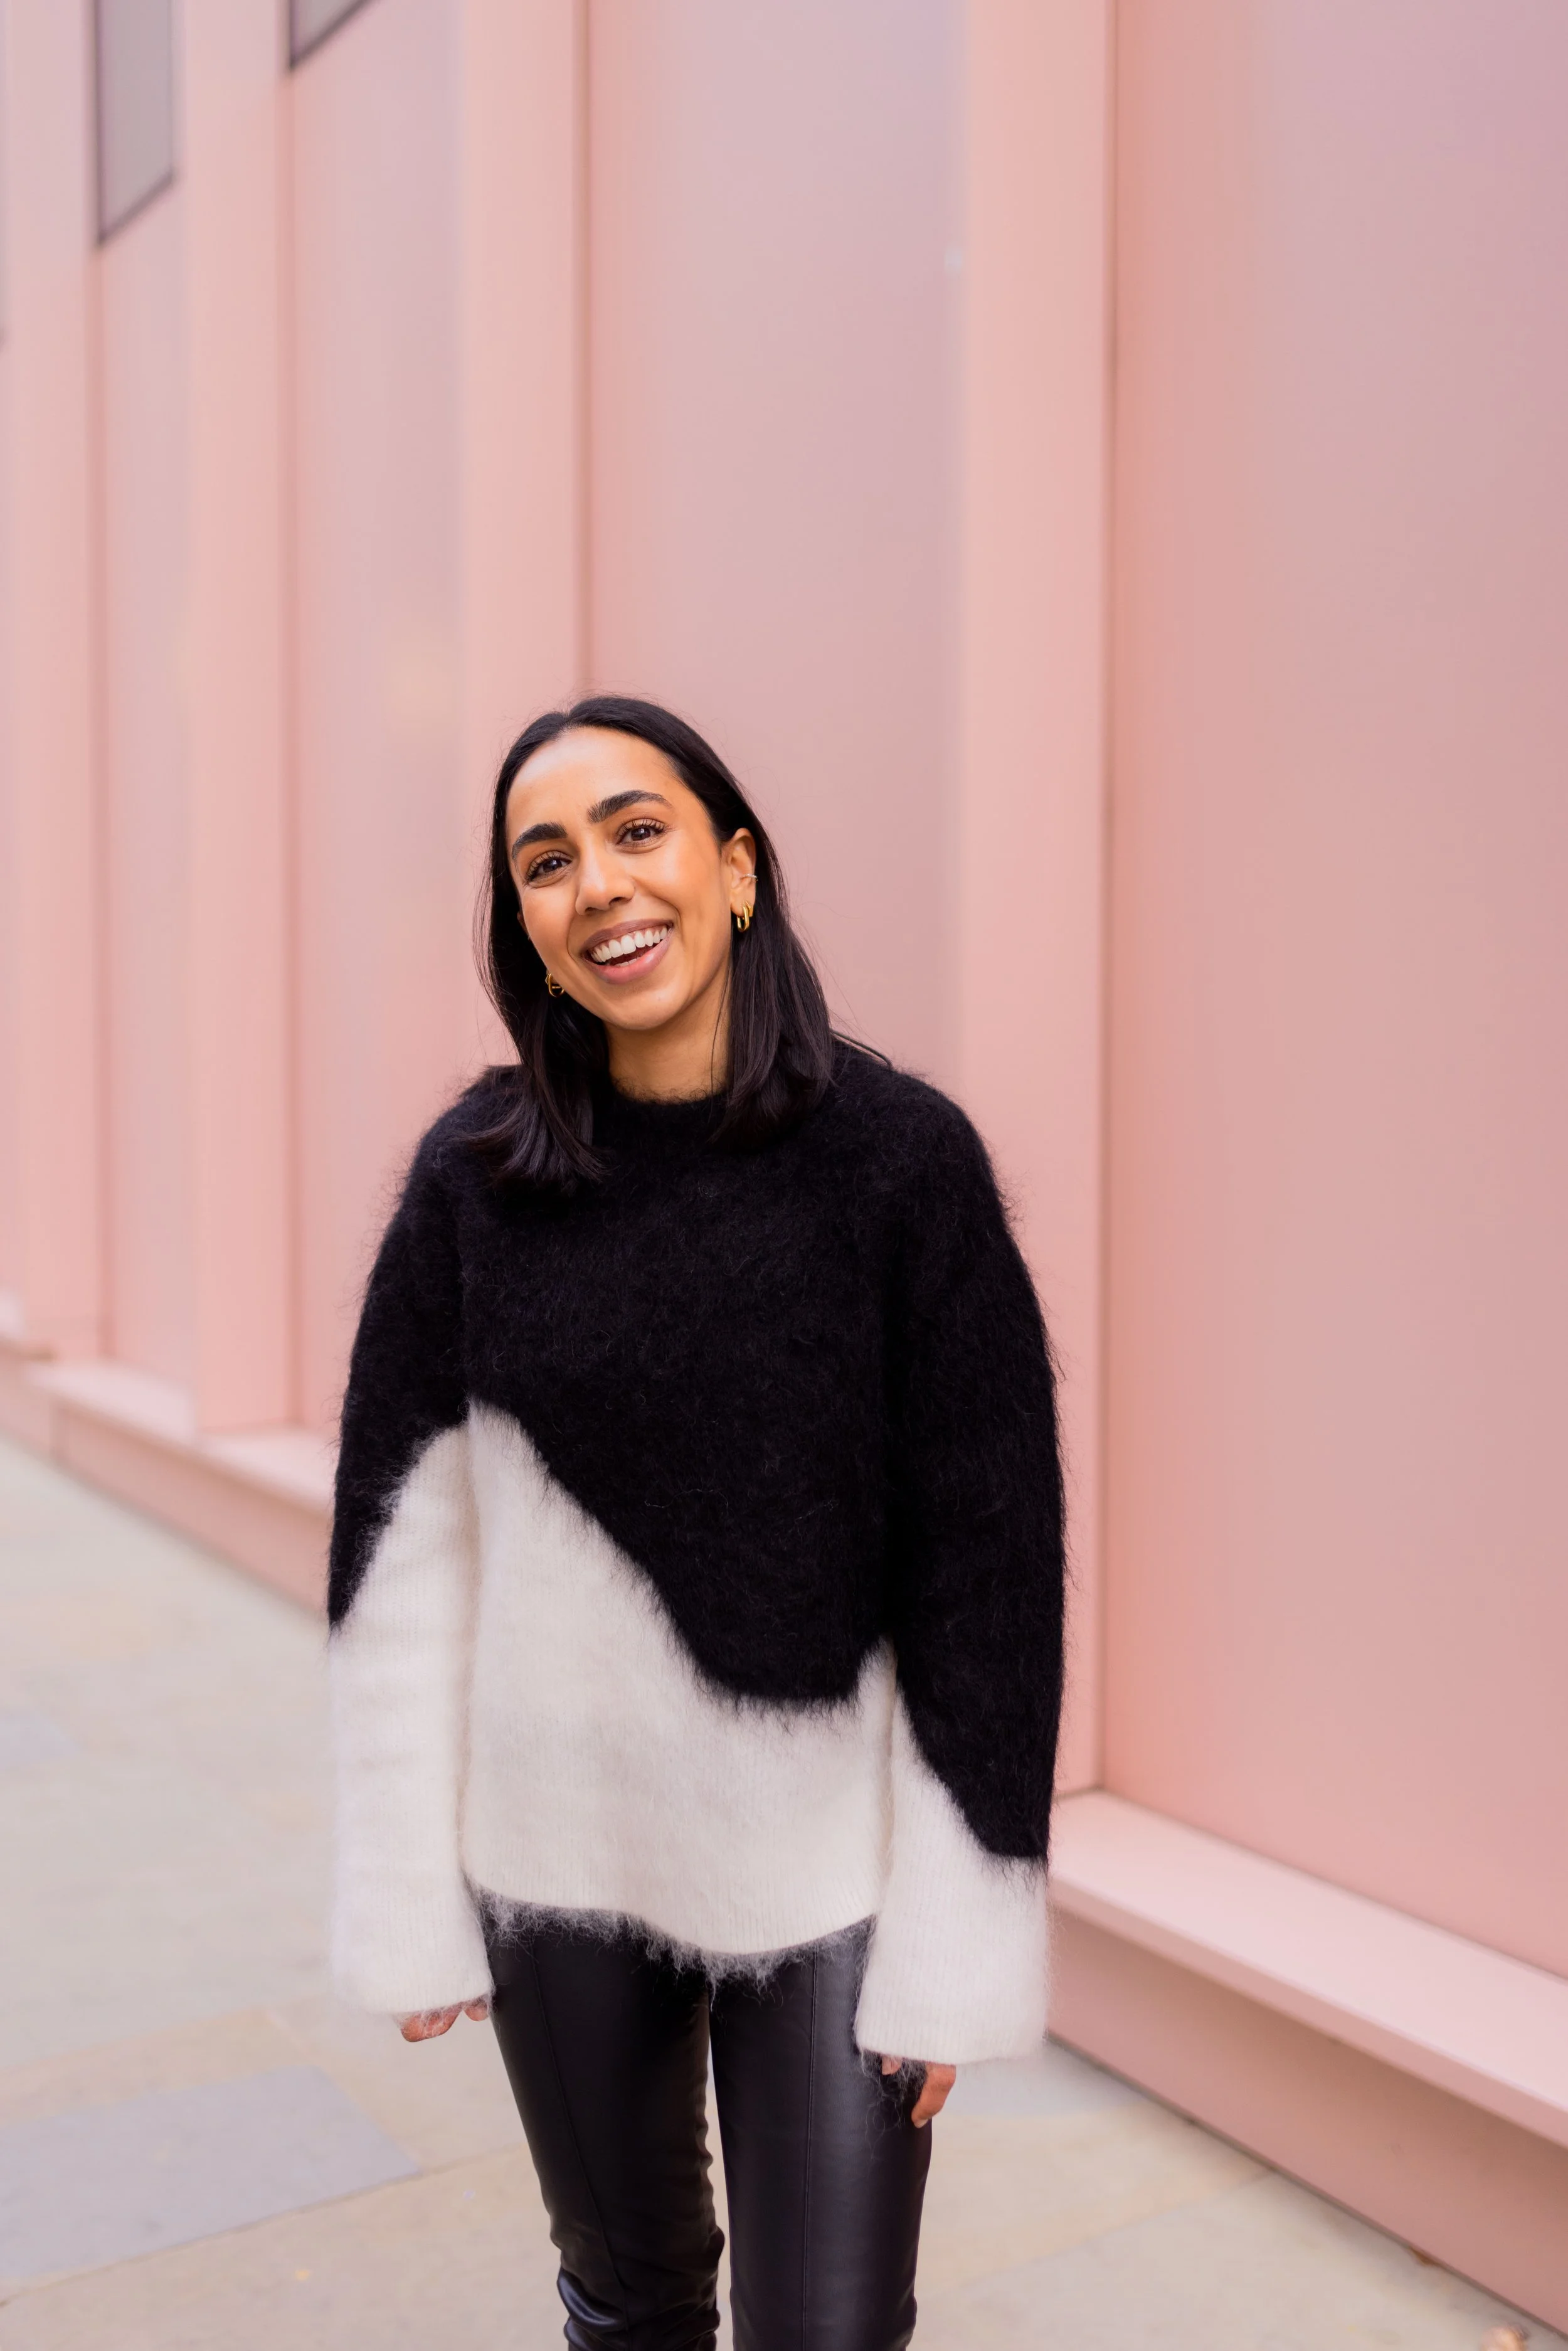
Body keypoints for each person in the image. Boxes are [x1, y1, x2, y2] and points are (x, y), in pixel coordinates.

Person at [327, 696, 1065, 2350]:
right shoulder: (470, 1180)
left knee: (825, 2328)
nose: (595, 882)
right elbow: (404, 1557)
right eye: (545, 857)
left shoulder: (902, 1164)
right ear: (519, 918)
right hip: (552, 1855)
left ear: (734, 869)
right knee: (632, 2296)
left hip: (827, 1866)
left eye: (635, 830)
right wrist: (404, 1877)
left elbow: (989, 1568)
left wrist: (960, 1920)